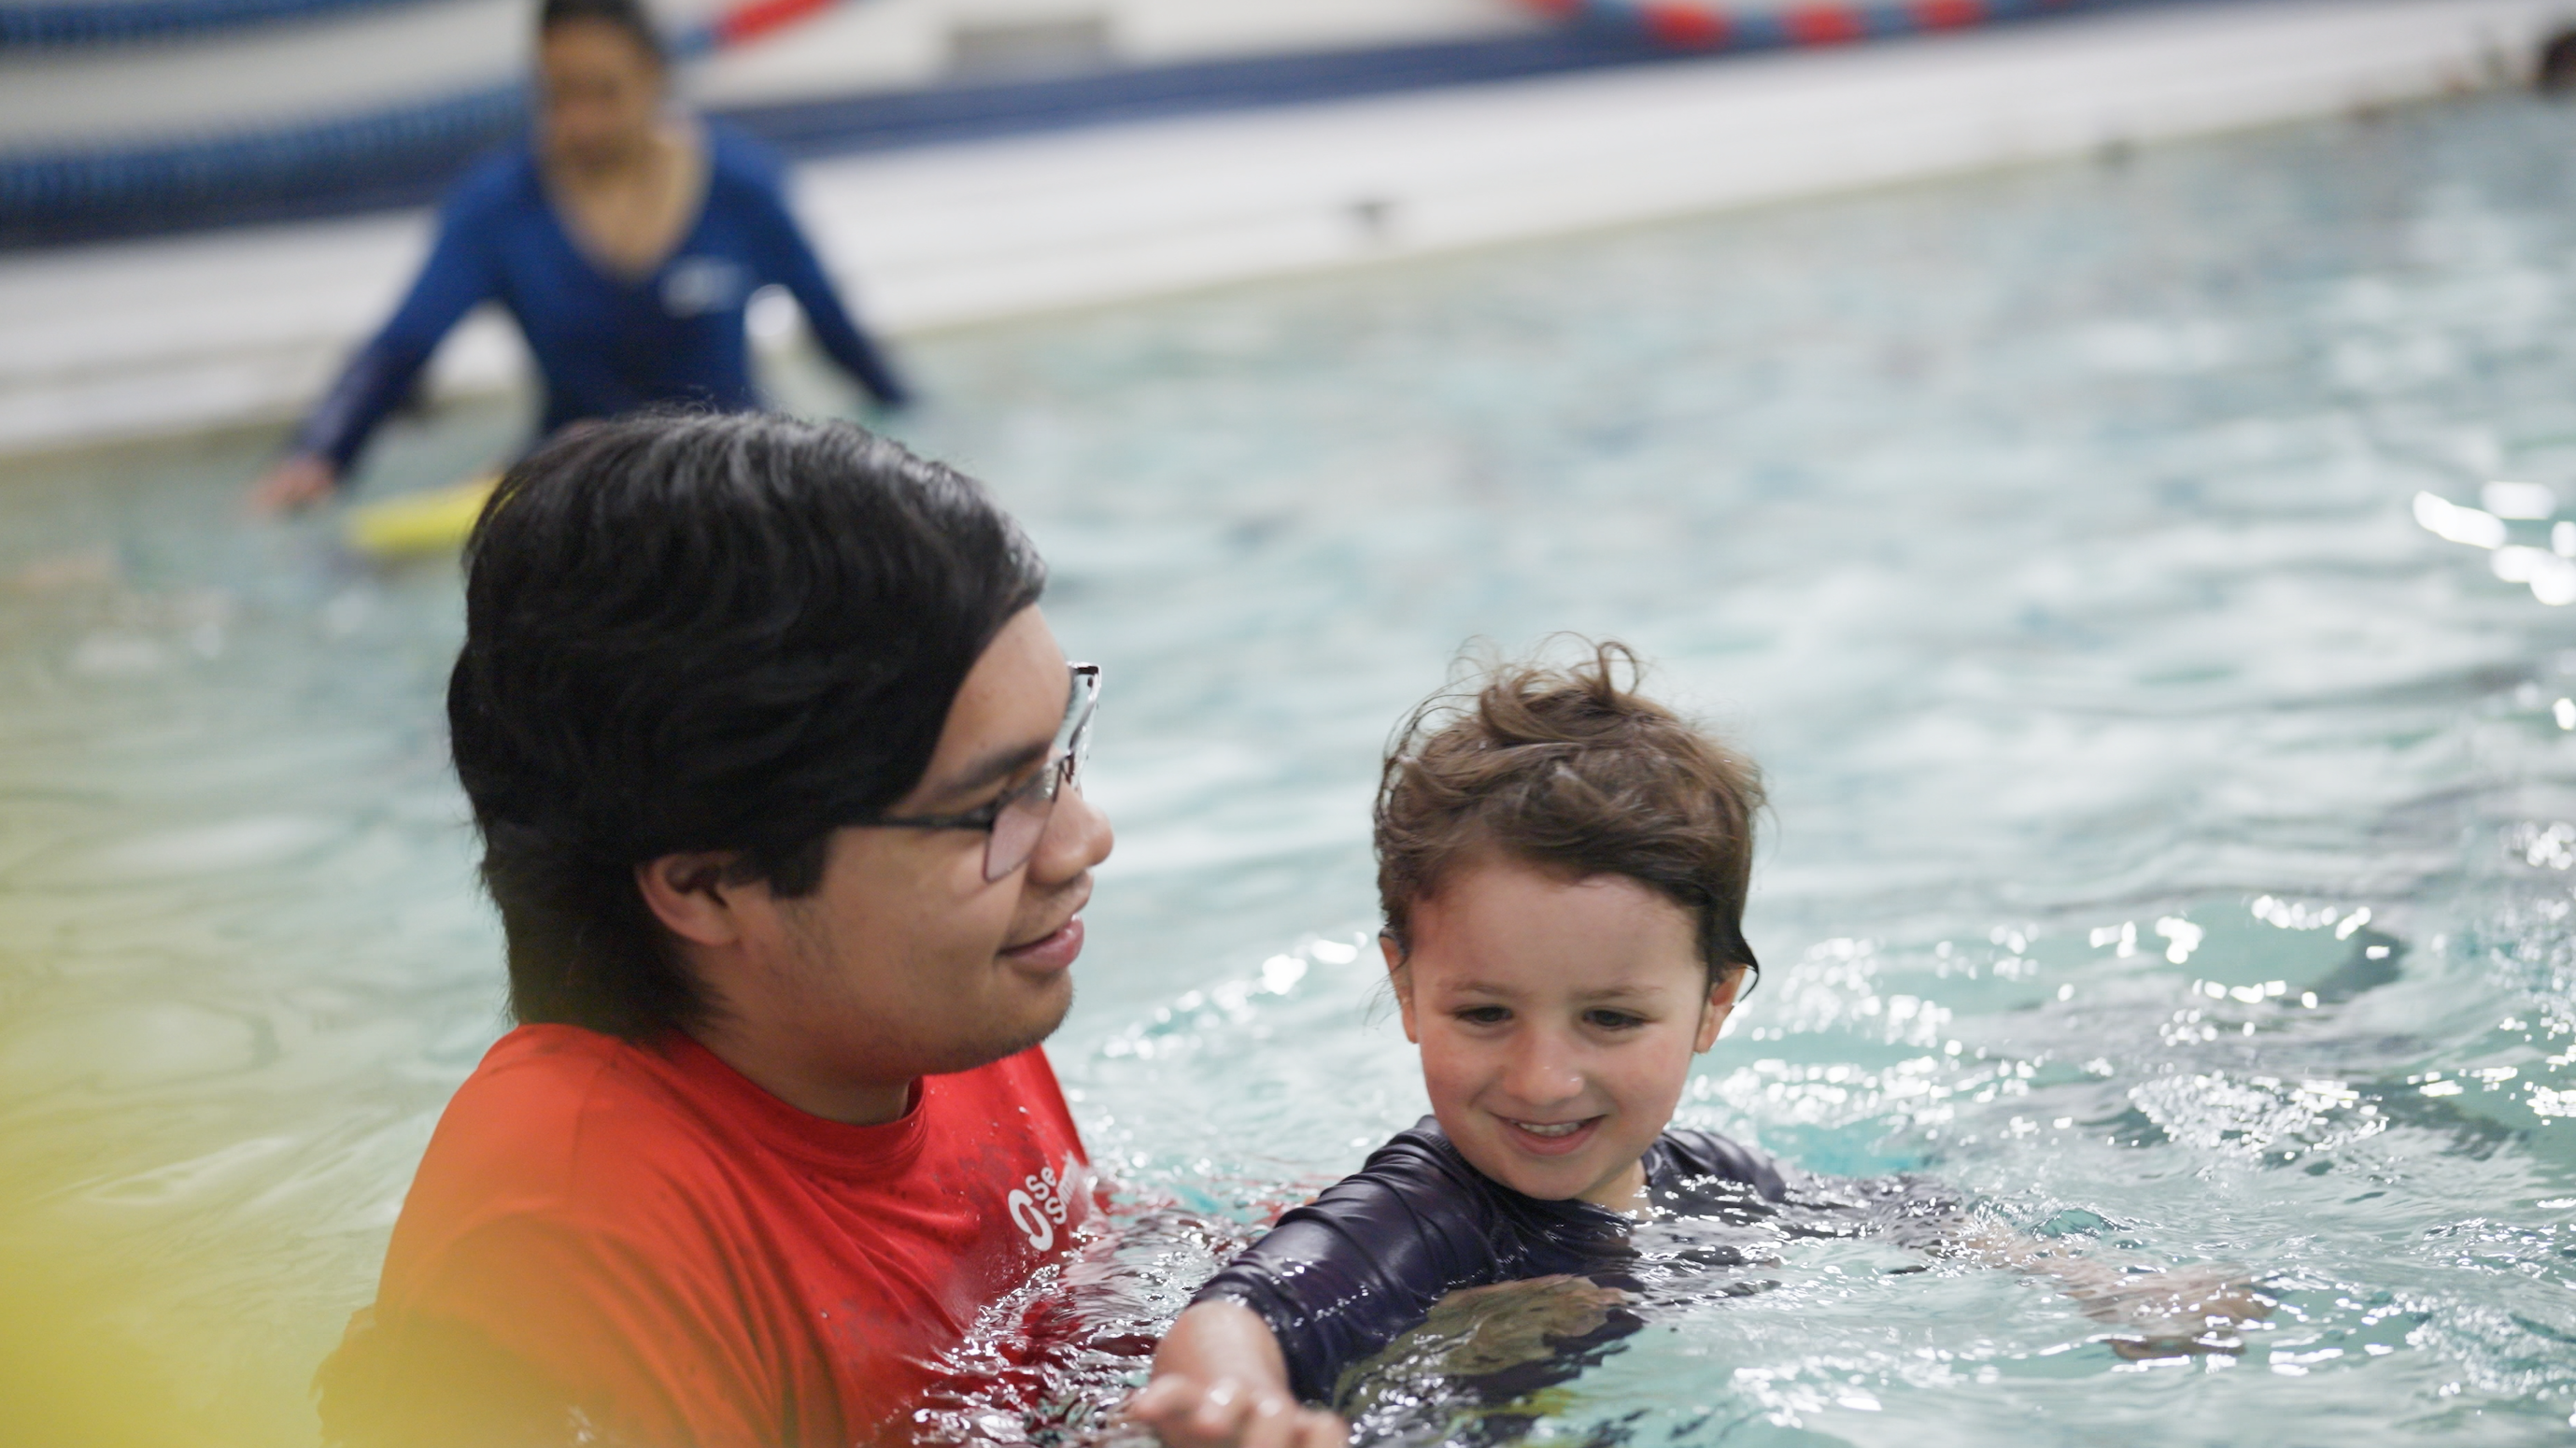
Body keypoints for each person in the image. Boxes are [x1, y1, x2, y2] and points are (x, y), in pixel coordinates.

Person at [1131, 645, 2265, 1448]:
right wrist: (1234, 1408)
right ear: (1405, 985)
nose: (1541, 1078)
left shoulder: (1701, 1174)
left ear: (1715, 1004)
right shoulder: (1422, 1212)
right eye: (1485, 1012)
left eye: (1612, 1018)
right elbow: (1241, 1312)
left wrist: (2093, 1281)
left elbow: (1904, 1213)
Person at [314, 410, 1111, 1447]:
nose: (1081, 838)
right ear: (707, 884)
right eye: (990, 805)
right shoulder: (561, 1238)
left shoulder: (917, 1012)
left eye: (1057, 759)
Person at [251, 0, 911, 513]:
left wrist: (906, 416)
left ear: (655, 77)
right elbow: (400, 348)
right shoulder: (499, 205)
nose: (579, 122)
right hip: (572, 482)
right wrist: (318, 455)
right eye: (558, 95)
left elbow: (834, 326)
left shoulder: (742, 186)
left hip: (734, 478)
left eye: (604, 93)